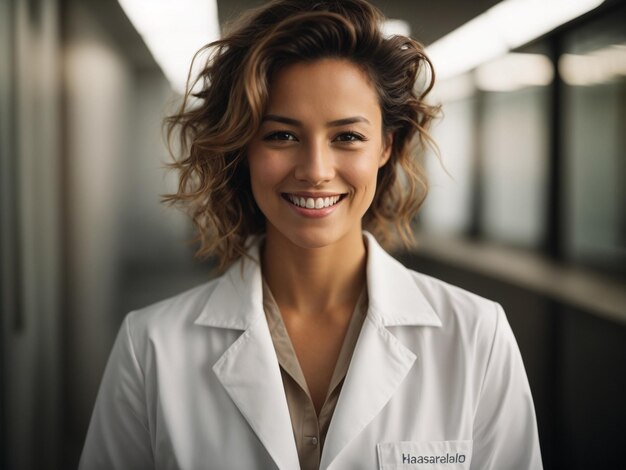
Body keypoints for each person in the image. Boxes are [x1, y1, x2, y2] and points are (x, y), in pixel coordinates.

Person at [79, 0, 543, 468]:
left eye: (347, 137)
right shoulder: (150, 346)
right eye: (282, 136)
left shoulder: (477, 337)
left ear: (386, 145)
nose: (316, 171)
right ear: (244, 147)